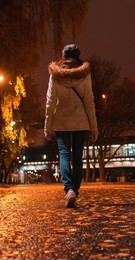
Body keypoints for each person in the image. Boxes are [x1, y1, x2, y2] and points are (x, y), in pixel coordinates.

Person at [44, 44, 98, 208]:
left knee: (64, 155)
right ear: (78, 56)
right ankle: (75, 189)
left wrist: (47, 126)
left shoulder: (55, 75)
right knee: (77, 157)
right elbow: (89, 101)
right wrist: (94, 127)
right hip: (81, 121)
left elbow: (50, 102)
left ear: (63, 56)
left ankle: (69, 189)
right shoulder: (84, 74)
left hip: (61, 122)